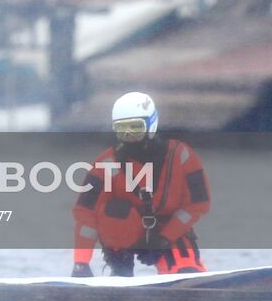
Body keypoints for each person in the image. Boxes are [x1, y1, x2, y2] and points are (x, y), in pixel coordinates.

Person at [71, 91, 210, 277]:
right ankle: (120, 272)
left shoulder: (182, 156)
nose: (128, 135)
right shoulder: (106, 164)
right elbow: (86, 214)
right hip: (124, 234)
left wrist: (164, 238)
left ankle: (183, 268)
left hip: (170, 230)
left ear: (151, 124)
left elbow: (198, 205)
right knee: (113, 212)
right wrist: (81, 263)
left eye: (135, 128)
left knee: (186, 271)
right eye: (122, 129)